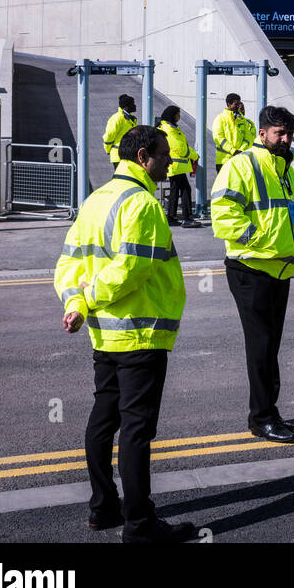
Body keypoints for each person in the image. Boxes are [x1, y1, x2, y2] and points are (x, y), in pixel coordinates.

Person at [53, 124, 194, 544]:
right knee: (136, 431)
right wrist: (91, 298)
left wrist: (77, 305)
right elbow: (132, 268)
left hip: (105, 337)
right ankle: (139, 524)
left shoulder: (95, 201)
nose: (171, 159)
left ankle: (102, 507)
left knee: (103, 420)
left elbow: (68, 267)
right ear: (142, 156)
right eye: (164, 153)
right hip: (141, 334)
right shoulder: (143, 204)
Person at [209, 105, 294, 444]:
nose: (285, 140)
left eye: (289, 135)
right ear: (262, 133)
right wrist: (258, 240)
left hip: (278, 269)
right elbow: (223, 213)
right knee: (261, 344)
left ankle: (269, 412)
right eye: (279, 133)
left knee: (271, 345)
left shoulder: (284, 167)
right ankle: (262, 418)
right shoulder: (242, 164)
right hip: (251, 268)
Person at [159, 105, 199, 228]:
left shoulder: (171, 128)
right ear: (172, 115)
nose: (179, 116)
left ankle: (171, 217)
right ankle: (187, 218)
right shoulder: (169, 130)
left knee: (175, 191)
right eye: (178, 114)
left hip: (176, 166)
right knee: (186, 190)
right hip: (176, 166)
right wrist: (194, 155)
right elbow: (180, 148)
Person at [212, 92, 256, 169]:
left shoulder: (242, 120)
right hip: (224, 161)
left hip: (240, 160)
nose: (238, 106)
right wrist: (234, 151)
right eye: (236, 104)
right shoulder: (220, 119)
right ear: (229, 104)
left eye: (239, 104)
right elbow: (218, 138)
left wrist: (240, 150)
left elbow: (249, 137)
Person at [102, 94, 137, 165]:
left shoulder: (130, 119)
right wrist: (107, 149)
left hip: (128, 155)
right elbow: (109, 136)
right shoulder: (117, 118)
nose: (135, 105)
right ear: (126, 107)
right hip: (119, 156)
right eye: (132, 104)